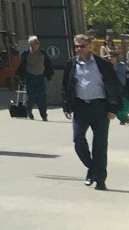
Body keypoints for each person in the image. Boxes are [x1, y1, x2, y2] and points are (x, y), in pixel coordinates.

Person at [62, 33, 122, 190]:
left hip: (100, 107)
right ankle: (93, 168)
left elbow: (113, 85)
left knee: (100, 144)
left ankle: (100, 180)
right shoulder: (72, 64)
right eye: (76, 46)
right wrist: (66, 105)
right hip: (80, 106)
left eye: (81, 46)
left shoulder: (102, 64)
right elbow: (66, 85)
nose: (78, 49)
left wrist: (113, 108)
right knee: (78, 140)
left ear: (90, 46)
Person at [13, 36, 55, 122]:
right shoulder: (26, 54)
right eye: (35, 42)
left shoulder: (42, 53)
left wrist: (49, 77)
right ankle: (29, 111)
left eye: (38, 42)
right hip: (30, 77)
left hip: (40, 77)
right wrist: (21, 78)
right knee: (30, 97)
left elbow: (48, 65)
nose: (37, 44)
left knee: (41, 97)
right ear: (31, 44)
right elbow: (22, 66)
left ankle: (44, 115)